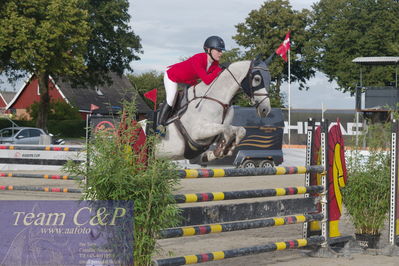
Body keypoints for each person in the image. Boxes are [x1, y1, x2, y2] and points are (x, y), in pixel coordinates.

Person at [157, 35, 225, 131]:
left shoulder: (215, 64)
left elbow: (211, 81)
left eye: (221, 51)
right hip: (172, 75)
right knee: (171, 97)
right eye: (218, 50)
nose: (221, 53)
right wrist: (219, 70)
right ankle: (160, 125)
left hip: (188, 80)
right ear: (209, 50)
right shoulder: (198, 58)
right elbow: (207, 80)